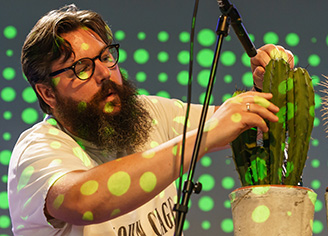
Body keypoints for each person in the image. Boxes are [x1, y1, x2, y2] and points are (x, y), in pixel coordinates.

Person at [7, 4, 294, 236]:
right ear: (47, 93)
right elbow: (83, 200)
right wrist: (204, 137)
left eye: (106, 56)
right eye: (82, 67)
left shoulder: (148, 114)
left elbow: (234, 123)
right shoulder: (36, 151)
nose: (105, 73)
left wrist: (264, 83)